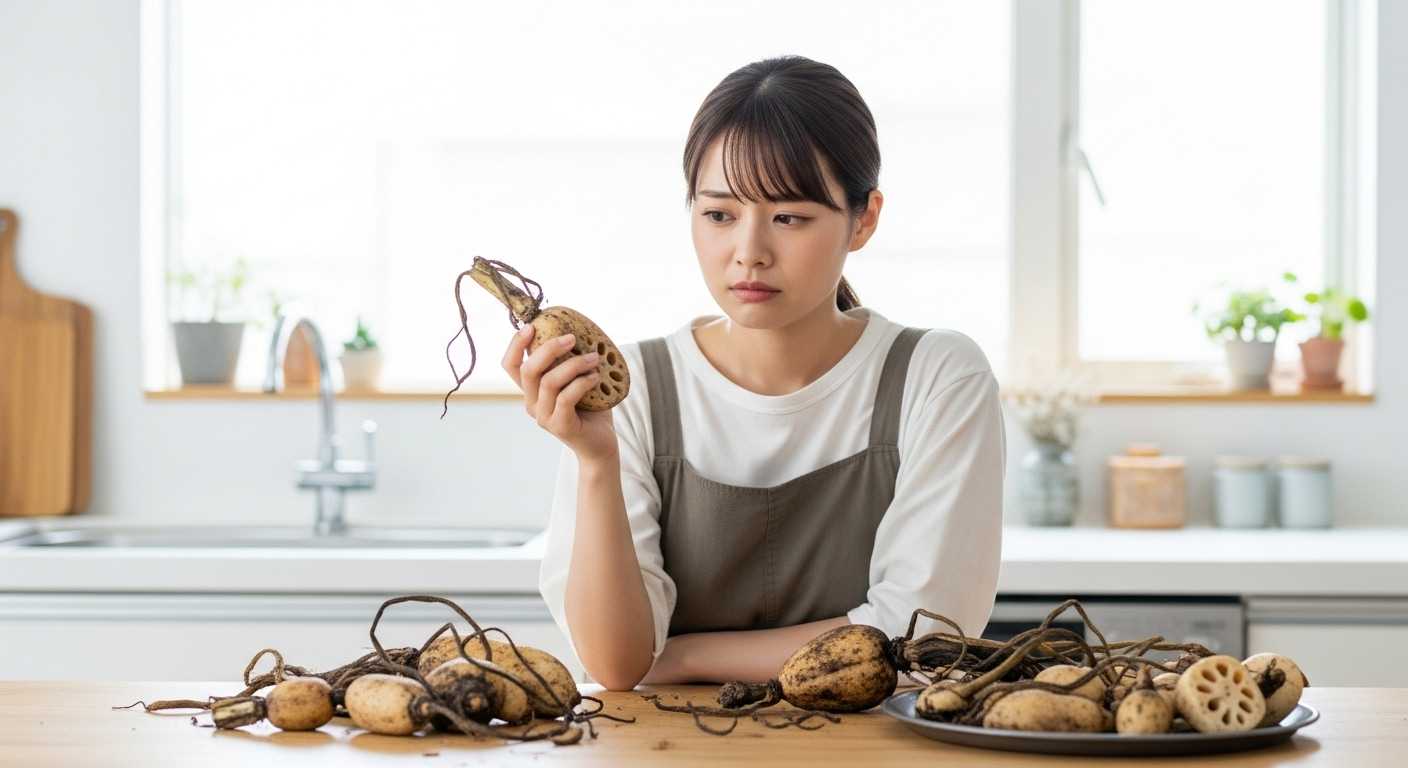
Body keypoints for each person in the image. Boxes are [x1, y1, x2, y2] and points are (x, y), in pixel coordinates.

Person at [504, 56, 1004, 691]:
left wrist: (683, 658)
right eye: (719, 215)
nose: (749, 253)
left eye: (789, 217)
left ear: (864, 219)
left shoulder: (937, 377)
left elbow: (924, 640)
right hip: (665, 743)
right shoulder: (634, 391)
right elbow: (616, 664)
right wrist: (596, 461)